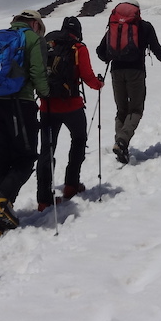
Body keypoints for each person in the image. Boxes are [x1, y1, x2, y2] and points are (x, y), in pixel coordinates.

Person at [0, 9, 50, 237]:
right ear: (34, 23)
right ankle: (2, 201)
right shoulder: (33, 39)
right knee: (26, 157)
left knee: (2, 157)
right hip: (19, 103)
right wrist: (45, 93)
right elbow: (38, 71)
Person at [37, 16, 105, 208]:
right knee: (79, 140)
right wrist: (98, 84)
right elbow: (87, 75)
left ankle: (43, 199)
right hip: (72, 105)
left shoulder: (46, 44)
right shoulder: (78, 48)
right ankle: (71, 184)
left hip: (47, 105)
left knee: (46, 151)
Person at [96, 0, 161, 164]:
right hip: (136, 71)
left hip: (116, 71)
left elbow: (100, 51)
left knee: (121, 111)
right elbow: (156, 48)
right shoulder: (144, 26)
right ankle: (122, 141)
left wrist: (111, 56)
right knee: (136, 110)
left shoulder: (114, 25)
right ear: (137, 12)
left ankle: (120, 144)